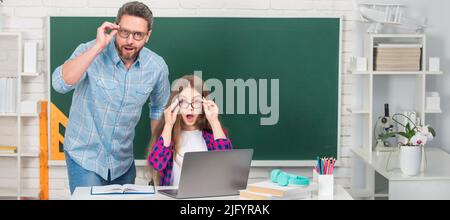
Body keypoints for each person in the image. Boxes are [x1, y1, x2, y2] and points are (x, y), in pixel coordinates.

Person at [51, 1, 170, 194]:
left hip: (122, 162)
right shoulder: (91, 50)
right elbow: (59, 84)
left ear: (147, 36)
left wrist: (159, 154)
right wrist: (98, 47)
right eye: (124, 32)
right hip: (84, 157)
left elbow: (158, 108)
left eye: (138, 34)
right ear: (115, 28)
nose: (130, 40)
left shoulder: (156, 67)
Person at [148, 75, 233, 186]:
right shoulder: (168, 136)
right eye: (183, 102)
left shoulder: (213, 136)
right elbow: (156, 163)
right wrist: (168, 125)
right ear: (176, 105)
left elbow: (227, 165)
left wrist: (214, 121)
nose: (190, 107)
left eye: (196, 102)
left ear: (203, 105)